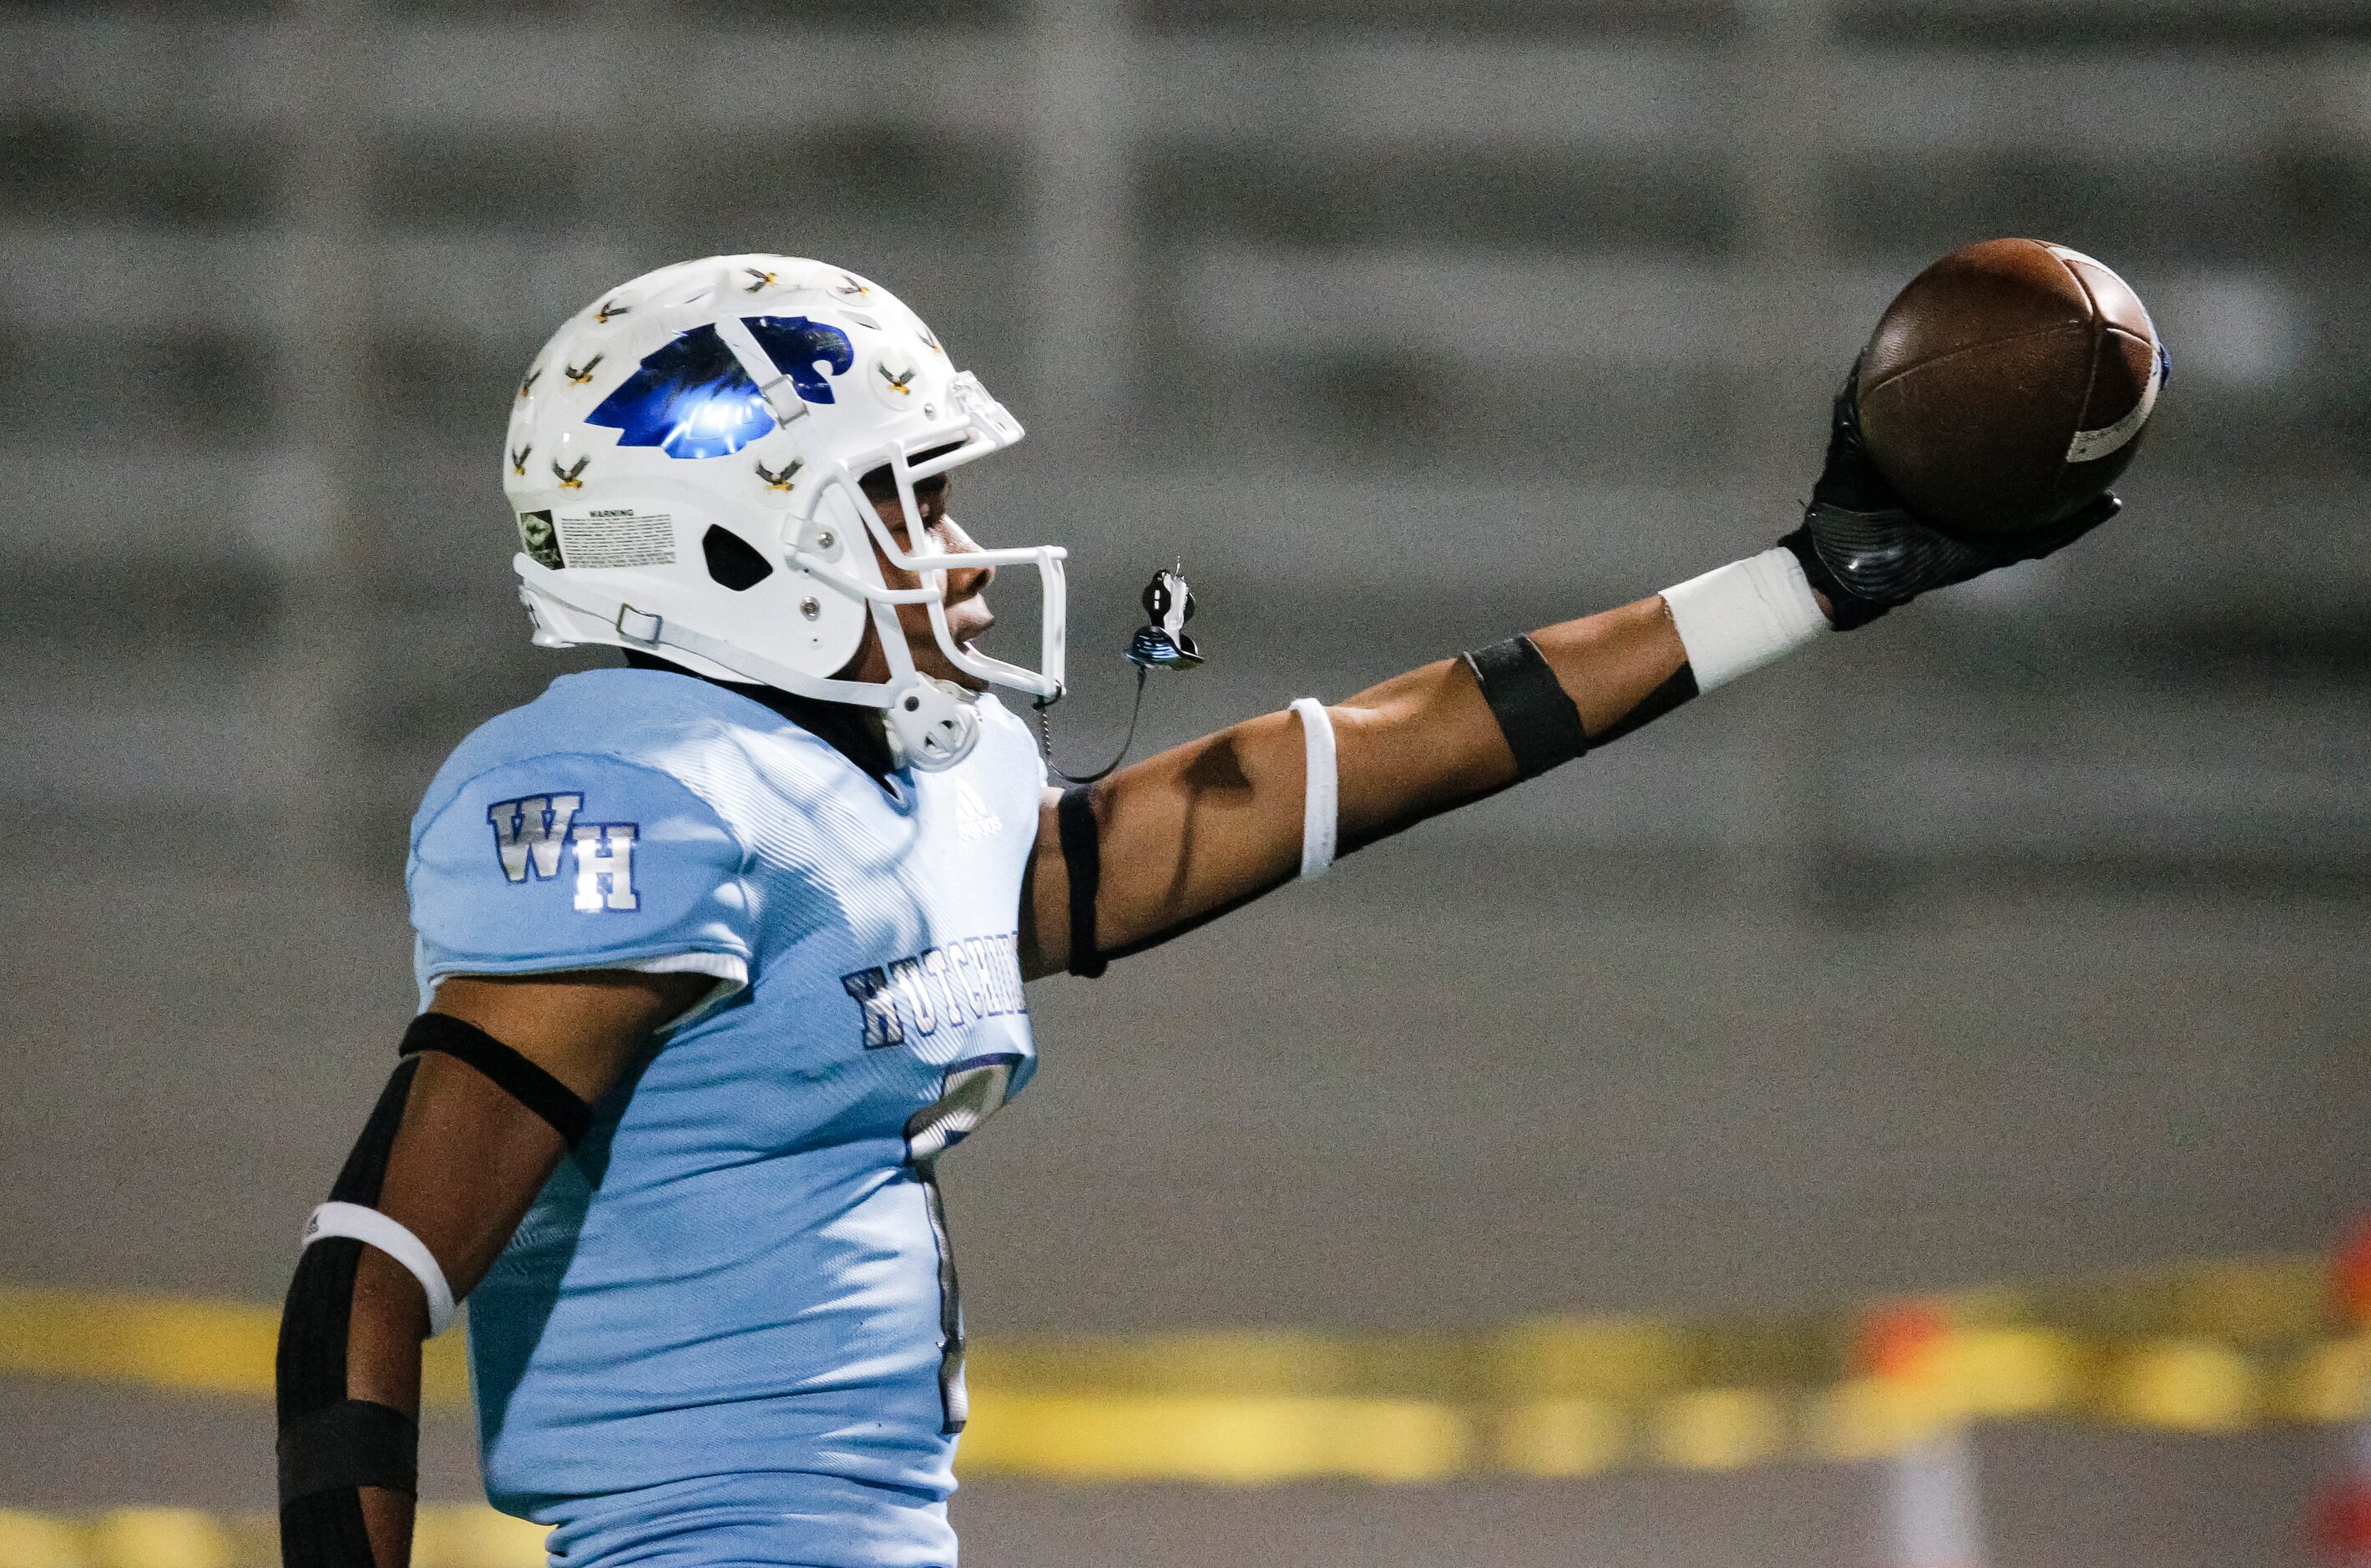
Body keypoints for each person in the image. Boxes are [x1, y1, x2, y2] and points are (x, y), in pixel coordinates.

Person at [273, 254, 2121, 1568]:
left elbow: (1347, 763)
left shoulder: (897, 782)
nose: (959, 554)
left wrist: (1802, 585)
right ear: (735, 550)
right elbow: (369, 1274)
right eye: (902, 505)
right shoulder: (633, 792)